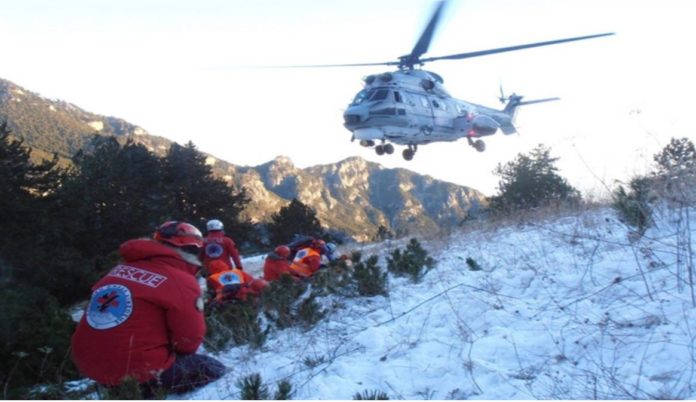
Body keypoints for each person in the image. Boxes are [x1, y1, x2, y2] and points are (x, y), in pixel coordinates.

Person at [71, 221, 225, 395]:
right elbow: (189, 338)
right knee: (211, 367)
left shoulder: (118, 270)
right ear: (192, 249)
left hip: (90, 367)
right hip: (140, 371)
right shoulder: (179, 279)